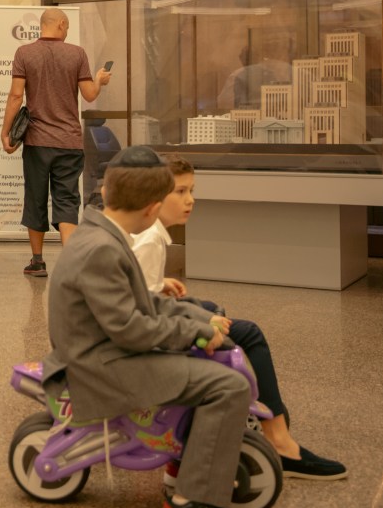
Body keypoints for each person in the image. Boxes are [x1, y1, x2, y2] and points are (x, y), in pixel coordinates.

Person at [41, 145, 249, 508]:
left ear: (107, 191)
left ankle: (186, 464)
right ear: (153, 208)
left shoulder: (100, 234)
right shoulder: (103, 249)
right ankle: (192, 497)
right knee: (229, 385)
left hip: (104, 352)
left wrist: (196, 318)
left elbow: (141, 301)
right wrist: (193, 332)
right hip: (101, 368)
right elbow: (132, 328)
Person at [131, 155, 347, 481]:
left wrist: (162, 287)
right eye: (180, 192)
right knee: (248, 333)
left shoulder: (150, 235)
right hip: (155, 348)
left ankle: (277, 428)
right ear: (155, 197)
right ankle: (279, 438)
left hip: (156, 329)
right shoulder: (151, 241)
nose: (190, 200)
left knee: (218, 311)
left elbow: (140, 292)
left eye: (192, 190)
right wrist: (196, 321)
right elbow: (144, 315)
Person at [1, 8, 111, 277]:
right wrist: (99, 80)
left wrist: (6, 132)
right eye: (68, 26)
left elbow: (16, 97)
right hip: (69, 142)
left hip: (37, 141)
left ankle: (37, 261)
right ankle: (71, 265)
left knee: (35, 197)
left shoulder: (24, 53)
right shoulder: (77, 54)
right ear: (61, 24)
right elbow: (89, 95)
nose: (68, 30)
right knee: (67, 200)